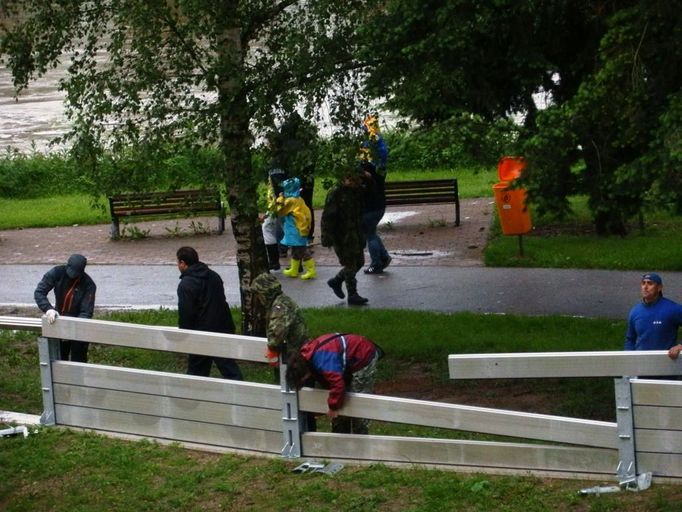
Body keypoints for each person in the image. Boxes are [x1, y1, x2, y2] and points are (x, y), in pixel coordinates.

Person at [285, 332, 381, 434]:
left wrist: (333, 406)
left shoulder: (323, 360)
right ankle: (341, 437)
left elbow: (337, 384)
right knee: (341, 407)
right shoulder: (306, 356)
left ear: (304, 374)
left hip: (363, 356)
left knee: (358, 404)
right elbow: (328, 382)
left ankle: (361, 438)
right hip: (344, 363)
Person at [176, 246, 242, 380]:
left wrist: (185, 333)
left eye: (178, 262)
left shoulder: (186, 284)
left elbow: (186, 312)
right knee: (228, 367)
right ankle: (241, 393)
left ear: (183, 263)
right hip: (222, 327)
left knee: (197, 371)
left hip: (201, 332)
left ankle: (196, 395)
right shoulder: (213, 276)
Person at [34, 253, 97, 362]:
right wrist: (48, 309)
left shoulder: (89, 285)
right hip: (58, 320)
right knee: (58, 360)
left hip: (79, 326)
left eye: (76, 274)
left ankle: (76, 378)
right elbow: (39, 292)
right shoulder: (57, 273)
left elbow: (86, 312)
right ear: (67, 266)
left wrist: (72, 330)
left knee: (79, 361)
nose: (72, 275)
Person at [321, 167, 369, 306]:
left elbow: (371, 194)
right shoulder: (336, 193)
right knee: (349, 263)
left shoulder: (357, 191)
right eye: (353, 179)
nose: (356, 182)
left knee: (359, 262)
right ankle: (352, 294)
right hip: (341, 235)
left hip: (356, 232)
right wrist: (326, 236)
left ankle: (336, 281)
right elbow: (327, 217)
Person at [624, 272, 682, 361]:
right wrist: (629, 361)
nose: (645, 287)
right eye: (643, 283)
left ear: (659, 288)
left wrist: (680, 347)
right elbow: (630, 339)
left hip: (666, 366)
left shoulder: (673, 309)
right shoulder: (635, 311)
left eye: (650, 283)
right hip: (641, 366)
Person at [250, 272, 309, 358]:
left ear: (265, 293)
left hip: (295, 354)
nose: (259, 299)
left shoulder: (280, 307)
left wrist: (272, 349)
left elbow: (277, 332)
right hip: (298, 350)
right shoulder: (282, 300)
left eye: (259, 295)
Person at [359, 114, 391, 274]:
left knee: (369, 234)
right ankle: (384, 257)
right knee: (371, 232)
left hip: (370, 205)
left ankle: (377, 262)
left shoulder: (367, 168)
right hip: (379, 203)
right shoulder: (381, 165)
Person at [276, 177, 316, 279]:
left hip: (296, 229)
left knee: (302, 249)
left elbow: (281, 210)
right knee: (295, 249)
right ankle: (294, 270)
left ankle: (311, 270)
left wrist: (279, 200)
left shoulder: (291, 200)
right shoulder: (299, 198)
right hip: (297, 228)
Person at [262, 167, 287, 271]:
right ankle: (275, 261)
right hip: (280, 206)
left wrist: (270, 211)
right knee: (287, 232)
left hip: (279, 207)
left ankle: (274, 261)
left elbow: (276, 192)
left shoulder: (274, 170)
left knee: (267, 228)